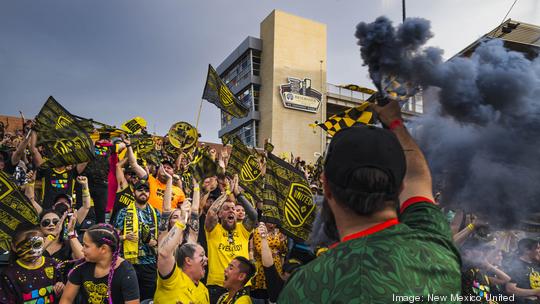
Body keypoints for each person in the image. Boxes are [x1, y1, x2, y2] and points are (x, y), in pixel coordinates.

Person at [278, 100, 462, 302]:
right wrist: (395, 123)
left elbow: (416, 179)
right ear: (399, 187)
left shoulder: (303, 287)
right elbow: (417, 178)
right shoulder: (436, 248)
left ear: (326, 187)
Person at [205, 175, 258, 304]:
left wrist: (238, 194)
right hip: (217, 285)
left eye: (233, 209)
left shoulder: (243, 229)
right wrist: (227, 193)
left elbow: (254, 215)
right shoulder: (213, 230)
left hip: (242, 284)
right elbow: (211, 213)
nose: (231, 211)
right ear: (220, 214)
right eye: (227, 209)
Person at [60, 224, 140, 304]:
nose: (82, 250)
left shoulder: (126, 272)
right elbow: (66, 299)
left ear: (103, 249)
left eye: (86, 246)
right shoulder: (81, 265)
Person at [114, 179, 160, 301]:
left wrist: (154, 243)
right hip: (129, 263)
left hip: (149, 262)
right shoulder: (123, 212)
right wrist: (125, 237)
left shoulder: (156, 213)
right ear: (133, 193)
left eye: (146, 190)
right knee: (128, 298)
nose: (143, 192)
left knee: (149, 299)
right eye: (140, 189)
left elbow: (162, 238)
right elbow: (113, 237)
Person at [154, 204, 209, 303]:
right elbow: (164, 253)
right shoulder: (172, 278)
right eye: (201, 255)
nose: (206, 258)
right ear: (188, 260)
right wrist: (182, 220)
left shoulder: (204, 290)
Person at [0, 223, 64, 303]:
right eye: (25, 247)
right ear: (14, 247)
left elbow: (61, 291)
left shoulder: (51, 264)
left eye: (37, 245)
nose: (33, 251)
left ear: (44, 241)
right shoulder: (9, 273)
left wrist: (60, 289)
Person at [126, 140, 185, 211]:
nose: (165, 169)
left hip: (166, 221)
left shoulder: (178, 191)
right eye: (163, 167)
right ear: (158, 170)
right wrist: (129, 145)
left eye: (168, 168)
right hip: (149, 220)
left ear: (173, 172)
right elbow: (134, 164)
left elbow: (183, 210)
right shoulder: (149, 180)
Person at [504, 238, 540, 303]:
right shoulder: (515, 266)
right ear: (527, 250)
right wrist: (535, 292)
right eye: (537, 248)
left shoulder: (535, 264)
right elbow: (510, 289)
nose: (539, 251)